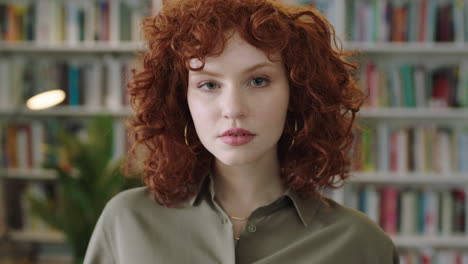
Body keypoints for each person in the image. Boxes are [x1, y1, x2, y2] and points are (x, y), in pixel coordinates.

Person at [84, 0, 399, 263]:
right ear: (182, 101)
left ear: (298, 95)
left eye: (258, 81)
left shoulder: (362, 245)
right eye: (209, 84)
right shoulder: (127, 221)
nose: (233, 108)